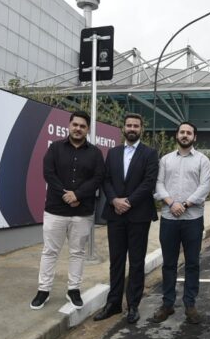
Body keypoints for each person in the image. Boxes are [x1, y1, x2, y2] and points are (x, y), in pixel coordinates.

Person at [33, 111, 105, 311]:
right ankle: (43, 290)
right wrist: (66, 195)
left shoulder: (95, 153)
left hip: (82, 212)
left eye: (82, 126)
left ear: (88, 129)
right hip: (56, 210)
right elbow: (49, 173)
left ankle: (73, 289)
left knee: (77, 252)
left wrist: (78, 195)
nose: (78, 128)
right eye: (75, 124)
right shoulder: (55, 148)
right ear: (69, 125)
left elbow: (98, 177)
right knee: (49, 251)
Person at [94, 113, 159, 324]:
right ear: (123, 128)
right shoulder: (113, 152)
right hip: (115, 214)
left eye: (136, 126)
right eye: (129, 125)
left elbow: (149, 182)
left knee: (137, 262)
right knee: (117, 260)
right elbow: (106, 179)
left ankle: (133, 305)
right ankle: (113, 304)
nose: (132, 128)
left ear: (141, 129)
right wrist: (114, 200)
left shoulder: (150, 153)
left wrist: (127, 202)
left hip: (139, 215)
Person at [152, 122, 210, 324]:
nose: (185, 135)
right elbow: (159, 184)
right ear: (176, 135)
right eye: (182, 132)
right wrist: (171, 203)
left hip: (193, 219)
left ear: (194, 137)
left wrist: (184, 204)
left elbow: (205, 187)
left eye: (189, 133)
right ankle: (167, 304)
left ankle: (190, 305)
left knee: (192, 263)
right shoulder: (166, 160)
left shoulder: (203, 160)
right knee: (168, 263)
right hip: (169, 219)